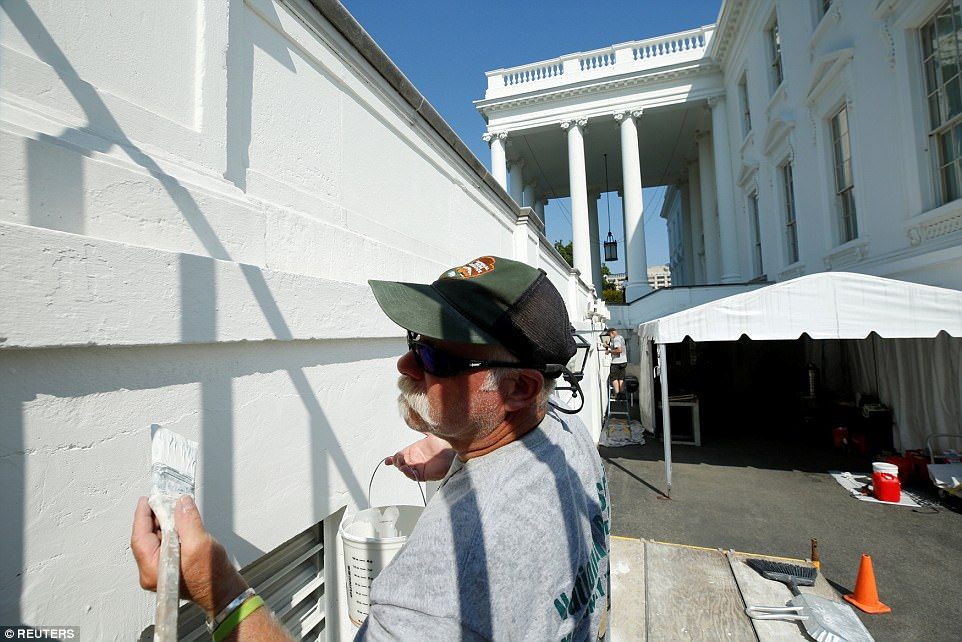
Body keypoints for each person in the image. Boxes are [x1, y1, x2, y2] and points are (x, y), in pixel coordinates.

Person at [131, 255, 610, 641]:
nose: (407, 364)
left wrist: (217, 589)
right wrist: (459, 450)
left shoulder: (449, 567)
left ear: (520, 388)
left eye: (436, 356)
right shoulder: (565, 433)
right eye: (415, 340)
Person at [605, 328, 627, 399]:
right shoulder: (621, 337)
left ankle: (618, 394)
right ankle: (622, 394)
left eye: (609, 335)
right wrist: (608, 346)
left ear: (612, 333)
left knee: (614, 378)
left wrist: (609, 351)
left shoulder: (616, 339)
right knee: (621, 378)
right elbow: (618, 347)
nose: (609, 336)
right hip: (623, 361)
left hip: (616, 362)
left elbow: (619, 350)